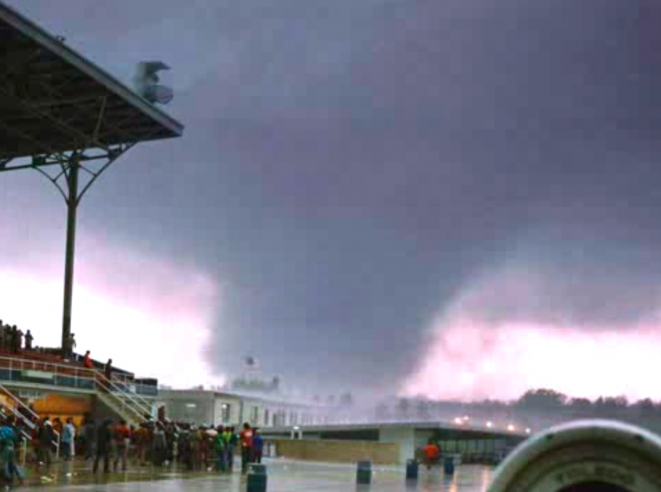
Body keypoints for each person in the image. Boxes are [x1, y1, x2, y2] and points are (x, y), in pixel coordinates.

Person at [0, 417, 23, 485]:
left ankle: (7, 477)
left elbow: (1, 439)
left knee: (4, 463)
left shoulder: (1, 430)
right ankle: (20, 476)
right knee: (14, 463)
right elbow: (15, 438)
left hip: (5, 448)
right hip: (12, 447)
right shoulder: (10, 429)